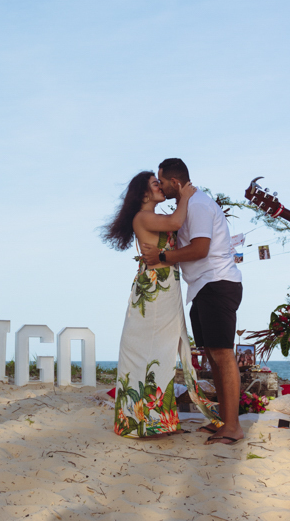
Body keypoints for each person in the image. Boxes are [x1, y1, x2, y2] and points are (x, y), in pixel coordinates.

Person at [142, 158, 245, 445]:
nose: (160, 186)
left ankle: (233, 427)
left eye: (161, 181)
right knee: (212, 355)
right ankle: (224, 421)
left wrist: (161, 257)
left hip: (217, 283)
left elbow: (200, 249)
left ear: (175, 182)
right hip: (202, 287)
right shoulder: (188, 205)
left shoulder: (198, 205)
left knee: (223, 355)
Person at [103, 171, 202, 438]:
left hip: (163, 286)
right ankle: (145, 423)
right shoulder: (144, 217)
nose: (160, 187)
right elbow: (177, 220)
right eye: (155, 184)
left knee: (164, 352)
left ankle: (155, 421)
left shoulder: (152, 217)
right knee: (155, 352)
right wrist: (185, 195)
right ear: (144, 193)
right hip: (155, 289)